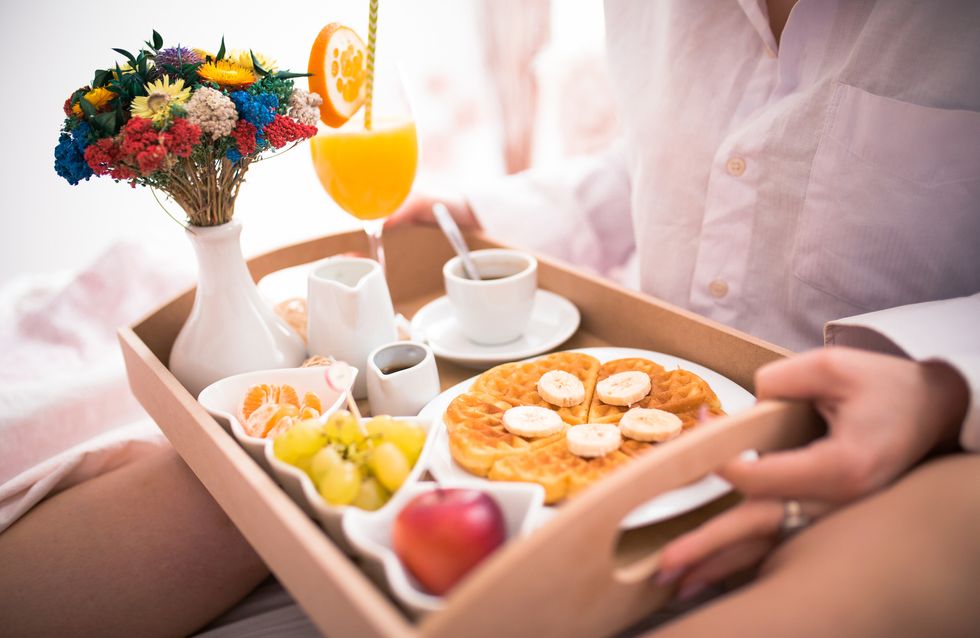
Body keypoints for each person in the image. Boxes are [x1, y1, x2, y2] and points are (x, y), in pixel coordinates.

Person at [388, 0, 980, 633]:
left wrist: (943, 384)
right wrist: (486, 214)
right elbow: (657, 162)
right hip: (602, 519)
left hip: (896, 489)